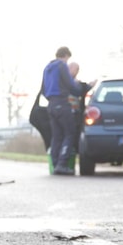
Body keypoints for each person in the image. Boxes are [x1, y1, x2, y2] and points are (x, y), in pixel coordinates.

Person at [41, 46, 83, 175]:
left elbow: (43, 89)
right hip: (62, 104)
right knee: (70, 133)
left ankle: (55, 165)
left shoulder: (47, 68)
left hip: (51, 105)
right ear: (65, 55)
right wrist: (80, 90)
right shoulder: (61, 66)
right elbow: (70, 85)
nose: (67, 62)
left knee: (57, 136)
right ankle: (62, 164)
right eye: (67, 59)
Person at [64, 61, 92, 172]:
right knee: (68, 136)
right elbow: (78, 91)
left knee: (72, 138)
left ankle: (65, 164)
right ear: (70, 69)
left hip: (73, 113)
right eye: (76, 70)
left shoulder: (71, 81)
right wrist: (88, 86)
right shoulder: (68, 81)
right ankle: (64, 164)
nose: (77, 72)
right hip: (69, 113)